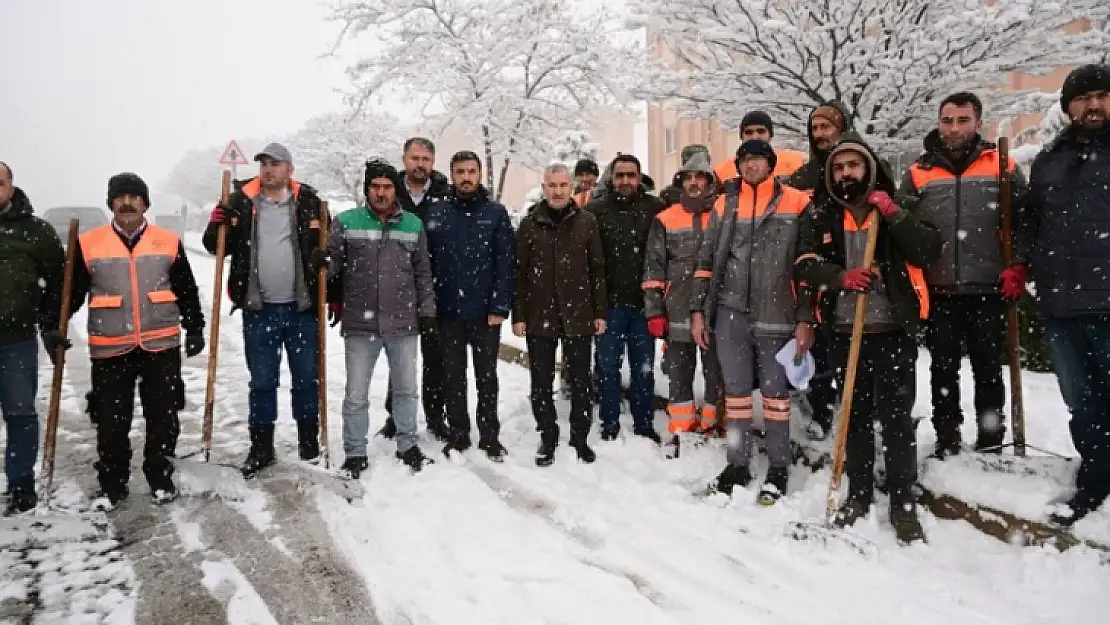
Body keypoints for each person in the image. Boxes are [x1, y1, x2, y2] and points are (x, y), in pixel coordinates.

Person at [793, 136, 942, 544]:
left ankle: (902, 503)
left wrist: (894, 215)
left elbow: (929, 249)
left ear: (869, 168)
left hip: (892, 331)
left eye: (853, 167)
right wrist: (841, 277)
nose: (846, 174)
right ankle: (858, 494)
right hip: (844, 332)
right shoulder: (823, 215)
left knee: (896, 420)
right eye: (838, 168)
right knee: (853, 416)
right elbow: (805, 264)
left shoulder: (895, 207)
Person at [71, 173, 206, 509]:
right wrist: (52, 326)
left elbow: (186, 290)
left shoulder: (167, 241)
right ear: (111, 203)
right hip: (110, 347)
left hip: (161, 343)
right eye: (120, 197)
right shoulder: (89, 243)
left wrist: (196, 326)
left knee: (163, 415)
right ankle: (113, 483)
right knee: (111, 420)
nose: (127, 203)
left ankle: (160, 476)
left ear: (145, 203)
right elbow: (69, 294)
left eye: (134, 197)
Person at [690, 142, 814, 503]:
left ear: (771, 164)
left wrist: (805, 317)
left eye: (757, 159)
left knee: (776, 396)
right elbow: (705, 261)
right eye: (745, 160)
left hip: (778, 312)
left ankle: (778, 465)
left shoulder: (796, 202)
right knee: (737, 395)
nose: (751, 165)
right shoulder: (724, 204)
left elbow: (807, 267)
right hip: (730, 312)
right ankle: (737, 462)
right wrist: (699, 310)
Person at [903, 92, 1027, 457]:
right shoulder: (919, 171)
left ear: (977, 122)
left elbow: (1024, 219)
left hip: (989, 286)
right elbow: (903, 228)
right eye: (947, 120)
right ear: (939, 123)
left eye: (962, 120)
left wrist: (1018, 263)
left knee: (989, 371)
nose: (954, 128)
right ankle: (947, 437)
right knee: (943, 371)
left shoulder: (1001, 165)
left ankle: (991, 438)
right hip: (939, 290)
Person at [1015, 64, 1110, 526]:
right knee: (1082, 401)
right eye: (1083, 98)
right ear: (1068, 106)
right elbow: (1033, 221)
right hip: (1061, 302)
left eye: (1102, 95)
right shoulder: (1051, 159)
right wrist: (1021, 262)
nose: (1093, 105)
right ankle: (1095, 481)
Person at [204, 142, 327, 478]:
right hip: (259, 309)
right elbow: (213, 246)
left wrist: (324, 262)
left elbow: (327, 248)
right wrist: (218, 224)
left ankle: (308, 443)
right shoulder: (241, 201)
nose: (268, 170)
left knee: (305, 379)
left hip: (301, 308)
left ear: (290, 169)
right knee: (262, 381)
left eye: (275, 164)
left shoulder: (310, 202)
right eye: (264, 165)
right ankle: (262, 447)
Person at [321, 159, 437, 477]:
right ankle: (355, 453)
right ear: (367, 189)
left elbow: (423, 273)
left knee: (406, 389)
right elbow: (332, 269)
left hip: (403, 322)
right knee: (356, 393)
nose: (381, 192)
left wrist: (426, 312)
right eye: (375, 186)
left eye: (387, 187)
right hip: (361, 323)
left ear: (394, 189)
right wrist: (321, 261)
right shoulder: (346, 222)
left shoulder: (412, 225)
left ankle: (407, 445)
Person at [514, 163, 607, 467]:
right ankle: (548, 434)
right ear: (544, 188)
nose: (557, 191)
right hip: (540, 314)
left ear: (571, 188)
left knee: (581, 380)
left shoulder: (587, 222)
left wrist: (599, 311)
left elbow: (597, 271)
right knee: (541, 381)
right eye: (551, 185)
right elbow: (520, 273)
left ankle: (580, 437)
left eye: (562, 185)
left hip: (578, 313)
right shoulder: (530, 224)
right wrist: (520, 314)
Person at [428, 151, 514, 461]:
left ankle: (490, 435)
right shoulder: (437, 212)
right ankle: (459, 433)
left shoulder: (495, 213)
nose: (466, 177)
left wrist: (500, 305)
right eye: (460, 171)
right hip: (448, 311)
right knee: (453, 376)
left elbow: (506, 263)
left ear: (480, 175)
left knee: (487, 376)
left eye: (471, 171)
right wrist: (432, 303)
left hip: (484, 313)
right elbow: (428, 263)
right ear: (452, 175)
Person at [783, 101, 859, 440]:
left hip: (856, 272)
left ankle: (857, 417)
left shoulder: (861, 166)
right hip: (815, 274)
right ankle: (822, 410)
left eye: (826, 126)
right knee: (818, 349)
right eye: (815, 128)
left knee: (856, 353)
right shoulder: (804, 176)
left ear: (841, 127)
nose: (820, 134)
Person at [643, 152, 723, 452]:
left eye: (699, 177)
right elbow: (653, 269)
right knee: (679, 373)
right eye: (688, 178)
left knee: (716, 372)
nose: (693, 183)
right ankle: (681, 427)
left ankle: (713, 425)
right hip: (676, 309)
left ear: (709, 181)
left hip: (715, 309)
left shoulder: (723, 213)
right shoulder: (664, 219)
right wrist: (654, 311)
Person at [0, 162, 67, 514]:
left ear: (11, 187)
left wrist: (51, 325)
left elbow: (58, 282)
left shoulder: (36, 232)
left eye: (0, 183)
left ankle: (21, 483)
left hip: (16, 340)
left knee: (20, 412)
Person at [586, 154, 665, 442]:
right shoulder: (596, 211)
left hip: (645, 305)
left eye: (631, 175)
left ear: (639, 177)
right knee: (608, 366)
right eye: (620, 176)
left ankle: (643, 423)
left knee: (643, 367)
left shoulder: (655, 208)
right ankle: (609, 422)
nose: (625, 181)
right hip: (609, 305)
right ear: (612, 178)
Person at [380, 137, 451, 442]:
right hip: (399, 288)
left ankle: (436, 417)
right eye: (414, 158)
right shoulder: (389, 194)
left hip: (437, 289)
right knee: (400, 360)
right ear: (404, 159)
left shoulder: (445, 196)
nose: (420, 164)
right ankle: (395, 418)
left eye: (426, 159)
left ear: (432, 163)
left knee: (436, 359)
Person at [713, 111, 807, 182]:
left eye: (761, 131)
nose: (755, 137)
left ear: (770, 135)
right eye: (749, 132)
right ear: (741, 137)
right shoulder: (722, 171)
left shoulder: (794, 164)